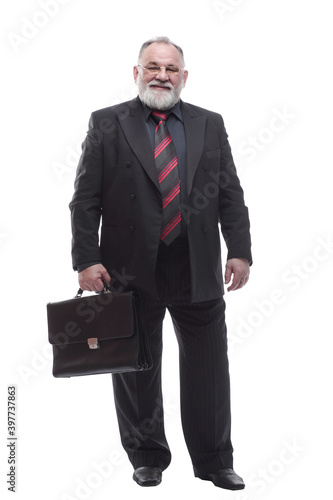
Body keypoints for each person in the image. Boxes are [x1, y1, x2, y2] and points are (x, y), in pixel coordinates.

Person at [69, 36, 252, 490]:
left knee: (209, 367)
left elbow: (230, 193)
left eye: (171, 69)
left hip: (197, 265)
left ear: (184, 77)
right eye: (152, 66)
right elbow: (85, 199)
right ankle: (147, 456)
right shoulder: (107, 123)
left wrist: (240, 250)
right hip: (128, 268)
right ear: (136, 72)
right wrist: (86, 260)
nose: (161, 75)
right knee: (137, 368)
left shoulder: (210, 124)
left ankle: (214, 461)